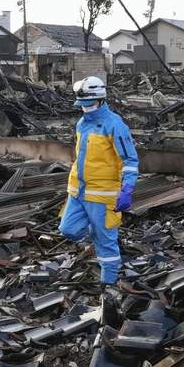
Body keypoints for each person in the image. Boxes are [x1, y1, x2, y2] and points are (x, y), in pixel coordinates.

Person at [59, 76, 139, 287]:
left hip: (102, 196)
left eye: (89, 105)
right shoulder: (81, 124)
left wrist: (127, 188)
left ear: (101, 100)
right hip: (78, 191)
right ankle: (96, 233)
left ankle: (108, 286)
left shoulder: (114, 125)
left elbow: (130, 160)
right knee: (68, 229)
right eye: (83, 105)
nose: (86, 109)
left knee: (106, 244)